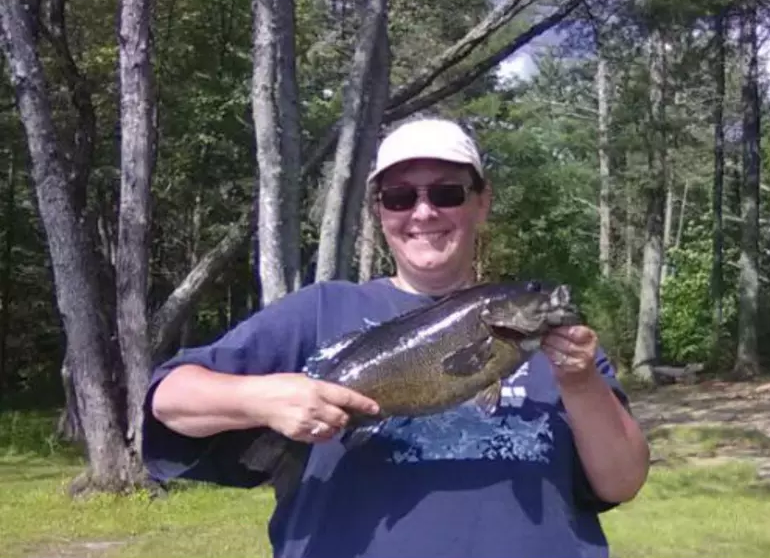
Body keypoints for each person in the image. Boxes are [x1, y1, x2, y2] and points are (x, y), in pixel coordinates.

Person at [142, 115, 650, 558]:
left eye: (447, 192)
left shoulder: (565, 349)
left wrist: (581, 384)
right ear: (379, 211)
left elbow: (623, 481)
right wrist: (261, 398)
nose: (423, 212)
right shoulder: (320, 310)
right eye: (400, 196)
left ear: (482, 202)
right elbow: (169, 399)